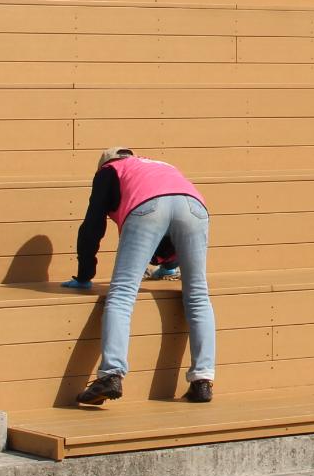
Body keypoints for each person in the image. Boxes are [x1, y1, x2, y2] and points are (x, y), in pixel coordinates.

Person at [63, 148, 216, 404]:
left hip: (148, 207)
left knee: (122, 293)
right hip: (195, 206)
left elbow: (92, 226)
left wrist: (84, 275)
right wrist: (168, 267)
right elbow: (173, 218)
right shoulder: (160, 166)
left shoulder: (109, 171)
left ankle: (111, 374)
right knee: (198, 294)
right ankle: (203, 380)